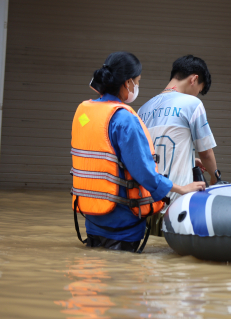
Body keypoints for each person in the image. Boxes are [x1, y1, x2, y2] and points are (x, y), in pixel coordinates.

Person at [71, 52, 205, 252]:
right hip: (122, 226)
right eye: (137, 81)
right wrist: (182, 189)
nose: (137, 87)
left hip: (91, 220)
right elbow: (144, 172)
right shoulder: (124, 119)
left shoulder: (84, 113)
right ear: (127, 83)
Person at [138, 55, 218, 209]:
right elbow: (206, 153)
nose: (196, 95)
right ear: (193, 79)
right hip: (177, 202)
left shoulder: (143, 109)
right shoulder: (192, 104)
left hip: (147, 202)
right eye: (198, 91)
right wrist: (215, 178)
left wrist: (188, 159)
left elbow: (150, 152)